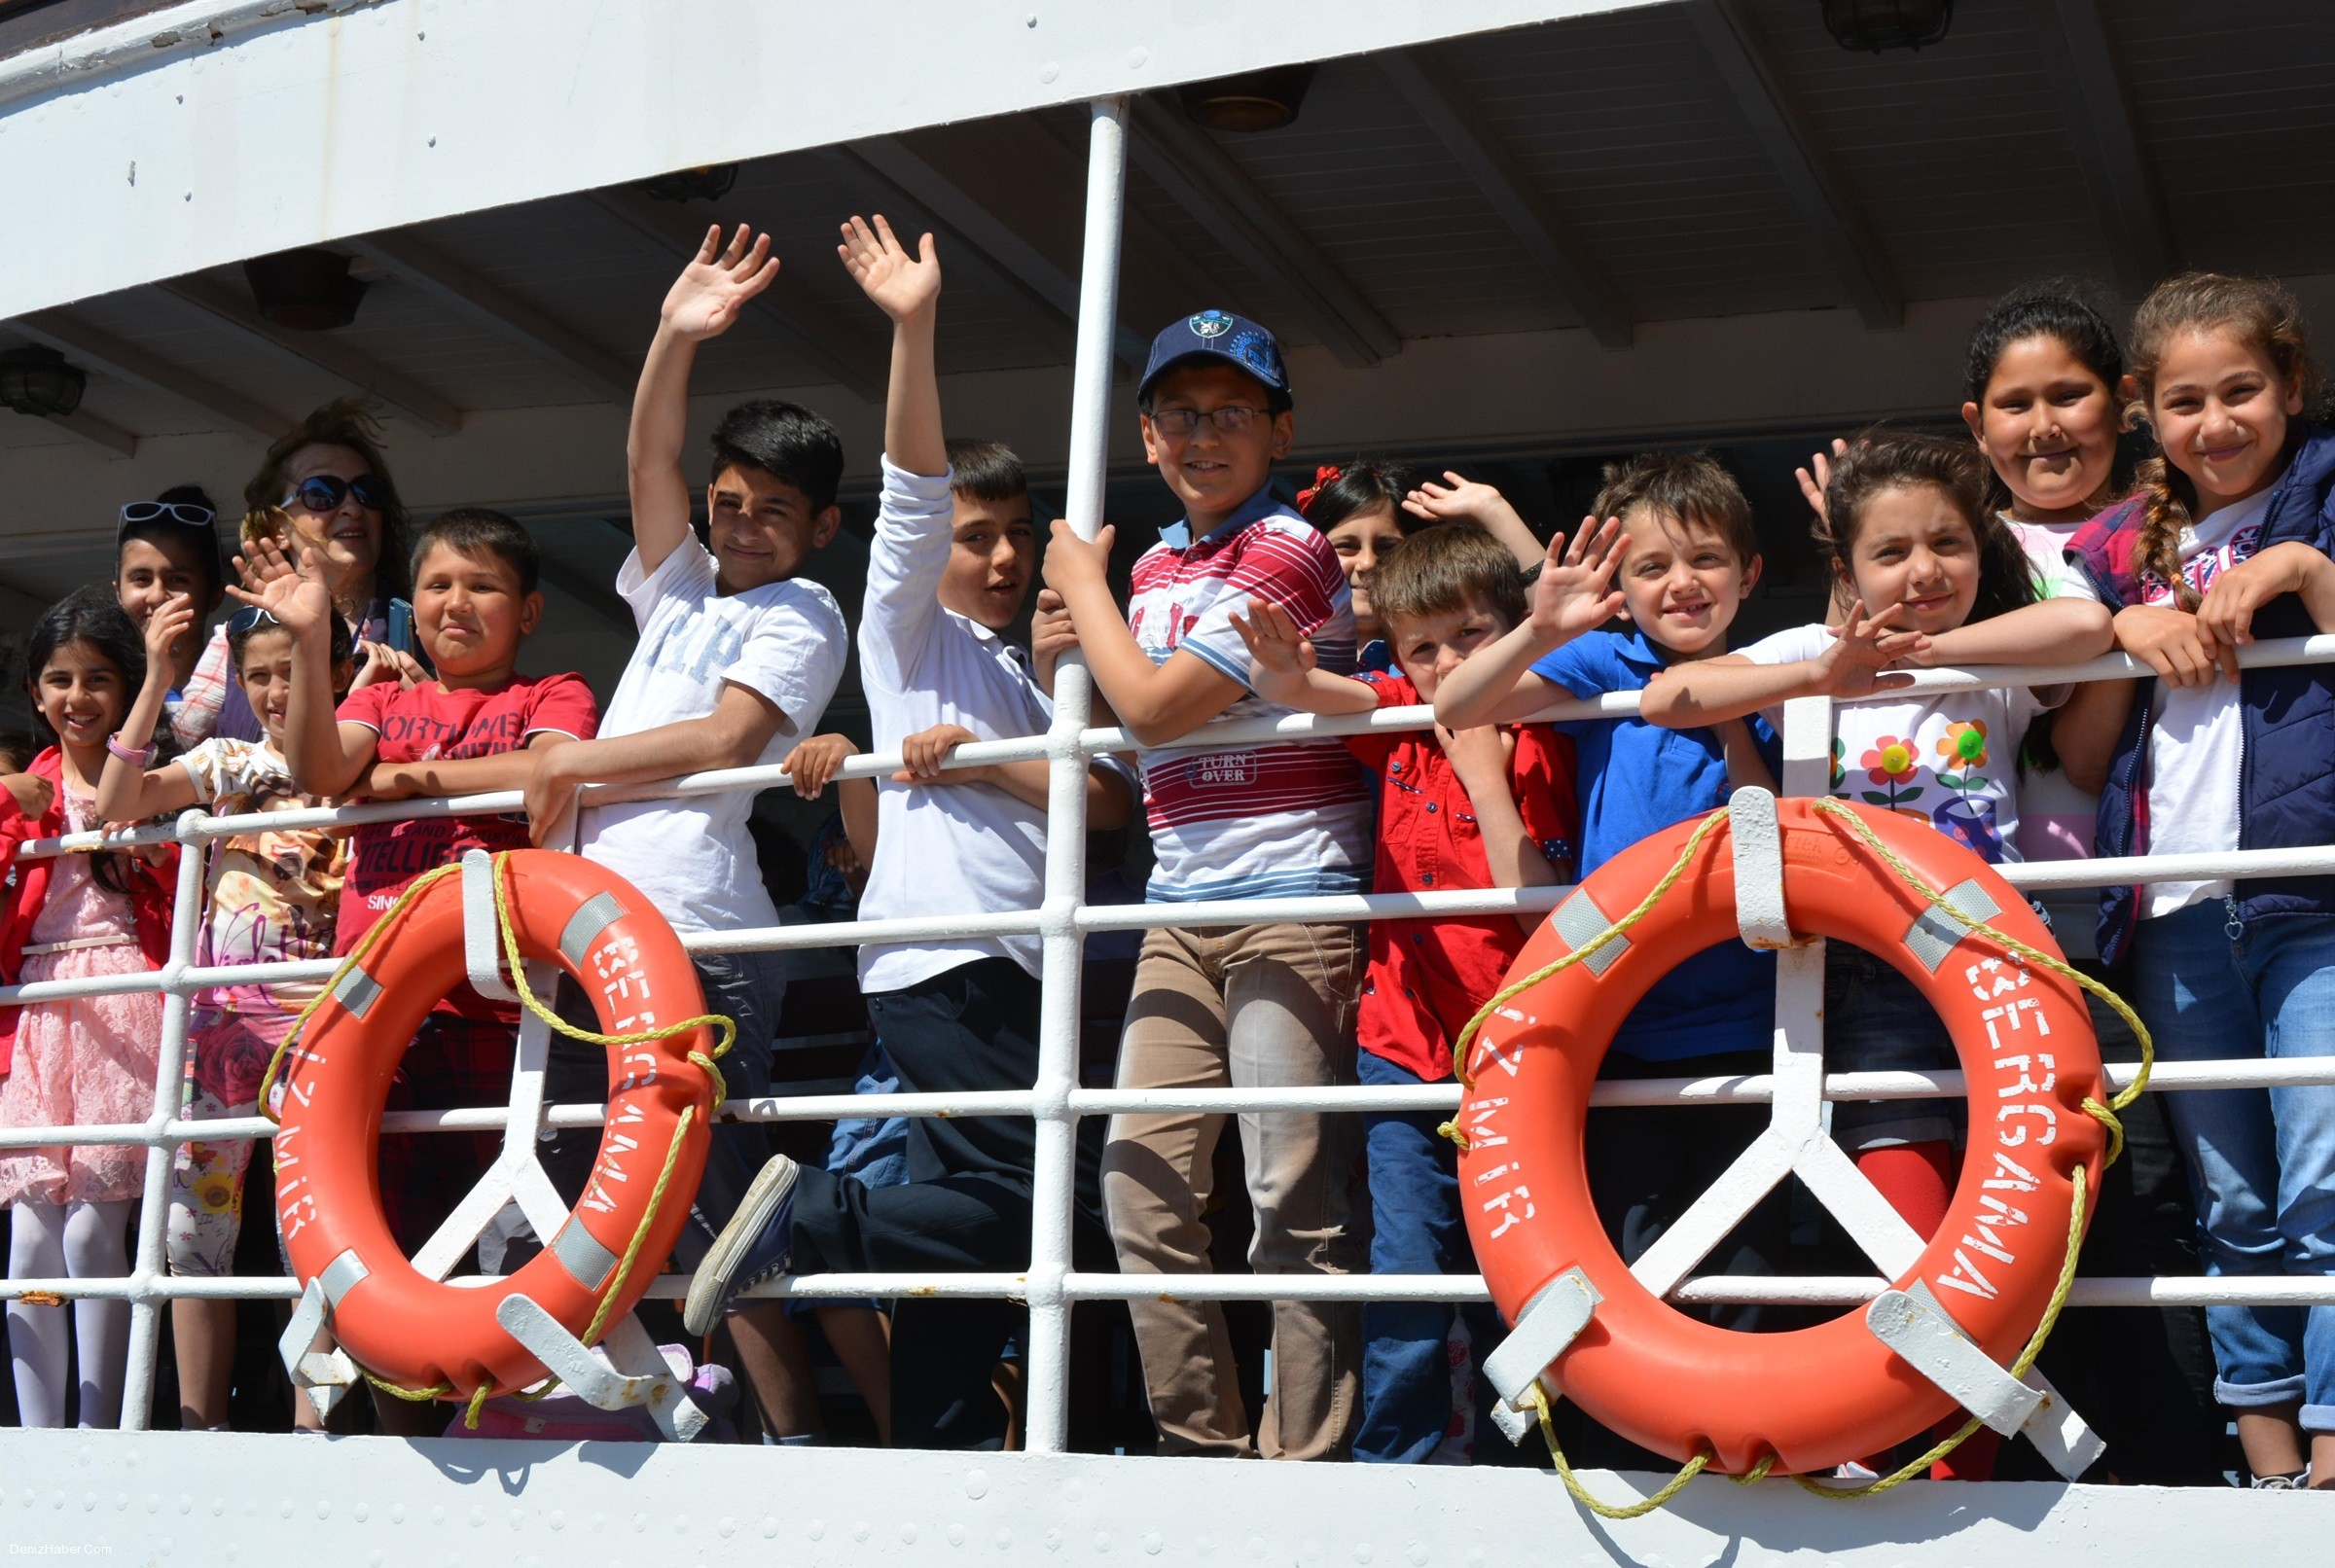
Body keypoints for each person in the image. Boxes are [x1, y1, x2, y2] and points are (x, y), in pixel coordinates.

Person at [682, 215, 1133, 1450]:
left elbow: (1108, 810)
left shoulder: (1023, 676)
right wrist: (914, 324)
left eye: (1015, 536)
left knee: (979, 1203)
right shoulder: (907, 635)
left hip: (1025, 963)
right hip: (950, 956)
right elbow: (915, 494)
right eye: (975, 538)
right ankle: (822, 1217)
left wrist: (1000, 766)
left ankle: (935, 1438)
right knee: (1059, 1211)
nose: (996, 556)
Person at [1640, 431, 2114, 1477]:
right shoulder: (1802, 651)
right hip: (1868, 983)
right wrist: (1824, 670)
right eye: (1890, 552)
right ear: (1844, 568)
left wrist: (1938, 654)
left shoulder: (1992, 658)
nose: (1923, 570)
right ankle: (1924, 1449)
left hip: (1996, 968)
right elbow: (1665, 695)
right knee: (1913, 1216)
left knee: (2018, 1221)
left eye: (1948, 543)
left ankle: (1965, 1463)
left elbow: (2087, 620)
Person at [512, 221, 850, 1446]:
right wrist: (672, 332)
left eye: (774, 510)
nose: (744, 524)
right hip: (596, 933)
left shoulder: (807, 612)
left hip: (702, 937)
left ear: (817, 527)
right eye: (729, 503)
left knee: (709, 1202)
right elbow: (648, 449)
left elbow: (725, 741)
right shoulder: (680, 591)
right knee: (583, 1185)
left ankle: (790, 1436)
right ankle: (644, 1408)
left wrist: (567, 761)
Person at [1032, 308, 1374, 1461]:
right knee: (1139, 1193)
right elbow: (1146, 746)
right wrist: (1068, 643)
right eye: (1181, 411)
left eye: (1232, 410)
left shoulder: (1290, 545)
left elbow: (1154, 706)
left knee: (1291, 1196)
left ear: (1281, 430)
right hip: (1181, 906)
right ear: (1146, 433)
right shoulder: (1152, 567)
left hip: (1296, 895)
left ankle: (1304, 1472)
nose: (1204, 432)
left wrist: (1076, 586)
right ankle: (1207, 1462)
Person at [2057, 273, 2335, 1489]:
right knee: (2234, 1203)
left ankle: (2333, 1455)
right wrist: (2120, 628)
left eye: (2242, 391)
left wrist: (2297, 570)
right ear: (2144, 413)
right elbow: (2062, 657)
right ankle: (2265, 1464)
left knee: (2328, 1182)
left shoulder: (2327, 501)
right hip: (2172, 905)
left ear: (2292, 390)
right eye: (2184, 401)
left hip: (2308, 893)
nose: (2215, 422)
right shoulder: (2122, 545)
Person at [1947, 283, 2223, 1483]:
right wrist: (2112, 632)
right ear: (1976, 423)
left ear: (2120, 403)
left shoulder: (2172, 531)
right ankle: (2016, 1462)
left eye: (2069, 394)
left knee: (2148, 1185)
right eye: (2015, 403)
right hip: (1985, 929)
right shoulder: (1963, 550)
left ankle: (2164, 1458)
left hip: (2132, 915)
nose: (2044, 424)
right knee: (2001, 1196)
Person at [1231, 523, 1579, 1464]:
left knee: (1526, 1270)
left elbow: (1544, 920)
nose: (1448, 664)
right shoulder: (1397, 721)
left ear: (1513, 631)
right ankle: (1400, 1467)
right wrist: (1280, 676)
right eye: (1423, 646)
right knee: (1411, 1270)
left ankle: (1533, 1466)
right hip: (1405, 1041)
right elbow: (1320, 691)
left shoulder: (1550, 732)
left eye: (1471, 635)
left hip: (1526, 1047)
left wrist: (1483, 773)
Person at [252, 508, 598, 1434]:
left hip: (500, 1015)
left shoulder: (553, 691)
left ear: (526, 612)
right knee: (378, 1240)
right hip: (380, 1020)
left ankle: (495, 1430)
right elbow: (324, 768)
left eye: (482, 585)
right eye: (439, 585)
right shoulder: (379, 698)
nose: (457, 603)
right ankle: (366, 1434)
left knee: (505, 1246)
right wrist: (303, 641)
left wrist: (402, 782)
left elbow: (549, 776)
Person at [95, 596, 367, 1432]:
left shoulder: (360, 758)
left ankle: (310, 1428)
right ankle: (197, 1427)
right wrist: (156, 684)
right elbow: (118, 801)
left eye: (295, 669)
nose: (279, 690)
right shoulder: (230, 761)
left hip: (320, 1025)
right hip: (217, 1033)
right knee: (190, 1233)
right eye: (261, 677)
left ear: (336, 670)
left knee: (313, 1240)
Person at [0, 589, 178, 1431]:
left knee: (89, 1235)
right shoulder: (18, 785)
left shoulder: (155, 773)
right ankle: (40, 1441)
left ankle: (100, 1432)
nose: (77, 697)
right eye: (59, 679)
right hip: (36, 1007)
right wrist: (12, 805)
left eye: (99, 678)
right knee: (31, 1242)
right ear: (34, 693)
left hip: (124, 999)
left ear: (128, 686)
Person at [179, 400, 422, 744]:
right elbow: (176, 746)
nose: (353, 508)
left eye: (369, 492)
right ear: (277, 525)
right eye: (323, 493)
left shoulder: (423, 629)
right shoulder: (234, 638)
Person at [112, 485, 226, 717]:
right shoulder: (104, 697)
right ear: (118, 595)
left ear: (214, 594)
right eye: (141, 579)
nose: (156, 596)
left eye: (177, 579)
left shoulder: (241, 691)